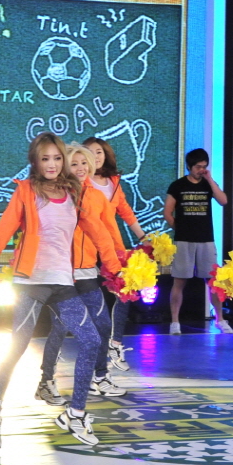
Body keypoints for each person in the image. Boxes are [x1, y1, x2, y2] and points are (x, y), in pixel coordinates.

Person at [0, 133, 123, 448]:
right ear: (35, 162)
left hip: (63, 282)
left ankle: (76, 413)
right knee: (17, 346)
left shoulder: (73, 192)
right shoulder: (26, 191)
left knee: (92, 340)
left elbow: (98, 232)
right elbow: (1, 234)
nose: (52, 164)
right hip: (31, 282)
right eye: (45, 159)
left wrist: (116, 268)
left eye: (57, 158)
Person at [37, 144, 126, 407]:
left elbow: (110, 233)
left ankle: (100, 376)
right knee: (59, 327)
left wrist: (121, 263)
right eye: (74, 163)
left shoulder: (97, 197)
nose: (80, 168)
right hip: (60, 274)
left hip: (87, 271)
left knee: (103, 325)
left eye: (84, 163)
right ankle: (46, 381)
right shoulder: (57, 194)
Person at [81, 136, 146, 371]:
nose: (95, 156)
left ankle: (115, 343)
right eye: (89, 152)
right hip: (86, 247)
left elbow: (126, 212)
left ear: (106, 154)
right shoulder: (78, 180)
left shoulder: (114, 182)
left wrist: (143, 237)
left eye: (98, 152)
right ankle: (90, 351)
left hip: (113, 247)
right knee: (90, 300)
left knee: (125, 292)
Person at [165, 148, 229, 334]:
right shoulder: (177, 185)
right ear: (189, 166)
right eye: (198, 167)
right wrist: (179, 229)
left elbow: (223, 200)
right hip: (183, 240)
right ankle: (175, 322)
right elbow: (167, 212)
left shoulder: (208, 184)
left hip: (206, 239)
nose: (201, 170)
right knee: (179, 281)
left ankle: (220, 319)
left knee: (213, 281)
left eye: (204, 166)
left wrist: (210, 179)